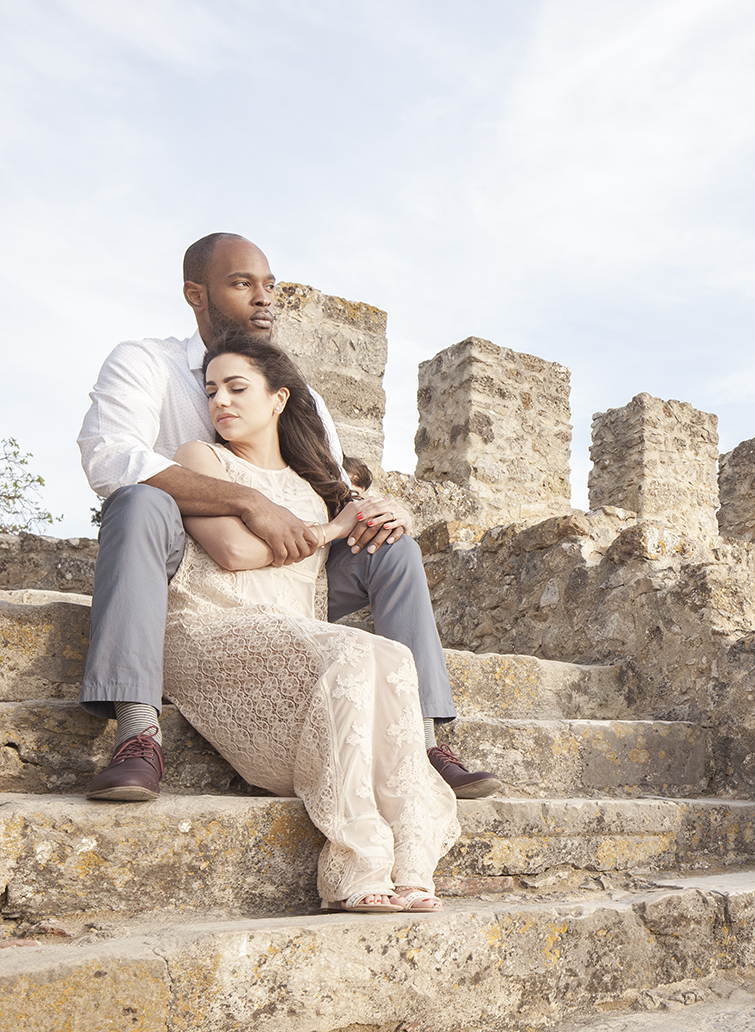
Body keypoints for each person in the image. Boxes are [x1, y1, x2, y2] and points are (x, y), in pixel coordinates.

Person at [77, 231, 499, 803]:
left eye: (270, 285)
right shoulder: (146, 360)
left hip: (287, 572)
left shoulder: (297, 391)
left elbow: (333, 486)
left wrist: (387, 508)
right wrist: (250, 501)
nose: (264, 298)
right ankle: (138, 734)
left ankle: (424, 740)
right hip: (185, 562)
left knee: (390, 544)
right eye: (242, 283)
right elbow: (110, 457)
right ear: (195, 295)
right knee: (138, 498)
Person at [164, 328, 458, 911]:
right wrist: (334, 529)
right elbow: (234, 553)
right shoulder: (201, 459)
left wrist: (389, 509)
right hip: (210, 625)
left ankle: (409, 859)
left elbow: (365, 517)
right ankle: (357, 866)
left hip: (292, 633)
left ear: (278, 399)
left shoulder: (311, 486)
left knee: (393, 655)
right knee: (350, 651)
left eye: (235, 387)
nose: (219, 401)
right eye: (211, 389)